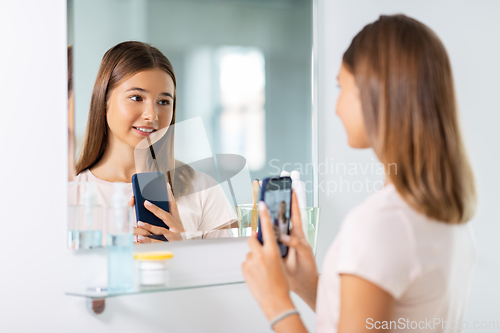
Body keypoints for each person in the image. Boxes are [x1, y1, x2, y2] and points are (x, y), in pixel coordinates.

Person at [242, 14, 476, 332]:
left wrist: (276, 304)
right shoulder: (445, 215)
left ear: (376, 92)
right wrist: (310, 284)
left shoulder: (381, 223)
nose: (336, 106)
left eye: (342, 86)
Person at [72, 41, 236, 242]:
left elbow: (228, 272)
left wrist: (181, 251)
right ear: (104, 100)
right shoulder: (71, 194)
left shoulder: (203, 190)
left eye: (163, 101)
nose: (152, 115)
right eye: (136, 97)